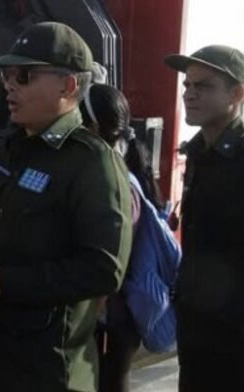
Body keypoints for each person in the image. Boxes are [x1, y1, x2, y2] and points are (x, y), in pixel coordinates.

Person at [0, 22, 133, 391]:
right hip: (2, 359)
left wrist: (2, 281)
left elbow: (103, 269)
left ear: (68, 86)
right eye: (6, 73)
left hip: (49, 371)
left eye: (24, 75)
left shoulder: (91, 163)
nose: (9, 84)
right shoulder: (14, 148)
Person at [164, 45, 244, 391]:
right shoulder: (198, 153)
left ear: (237, 94)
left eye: (204, 86)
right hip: (198, 329)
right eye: (187, 86)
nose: (190, 95)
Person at [80, 84, 164, 392]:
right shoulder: (129, 173)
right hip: (124, 307)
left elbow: (109, 257)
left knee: (107, 379)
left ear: (91, 126)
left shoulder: (113, 182)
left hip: (112, 307)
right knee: (115, 377)